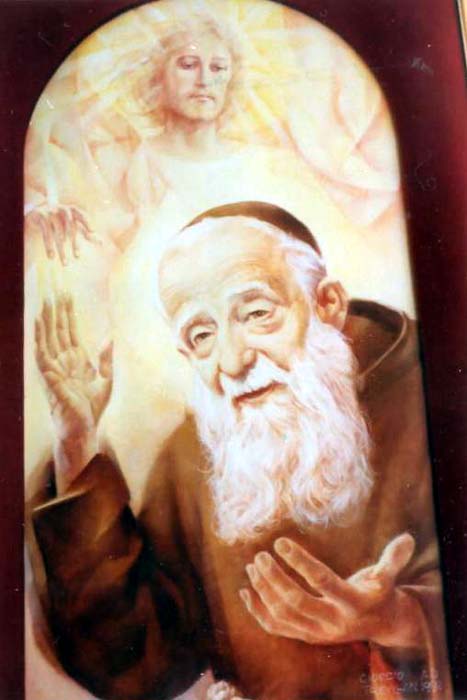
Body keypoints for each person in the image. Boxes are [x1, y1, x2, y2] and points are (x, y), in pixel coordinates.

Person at [28, 202, 451, 700]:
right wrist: (76, 441)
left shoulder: (435, 391)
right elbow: (138, 663)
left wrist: (399, 619)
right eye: (202, 335)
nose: (233, 360)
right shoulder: (196, 452)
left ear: (327, 303)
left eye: (256, 314)